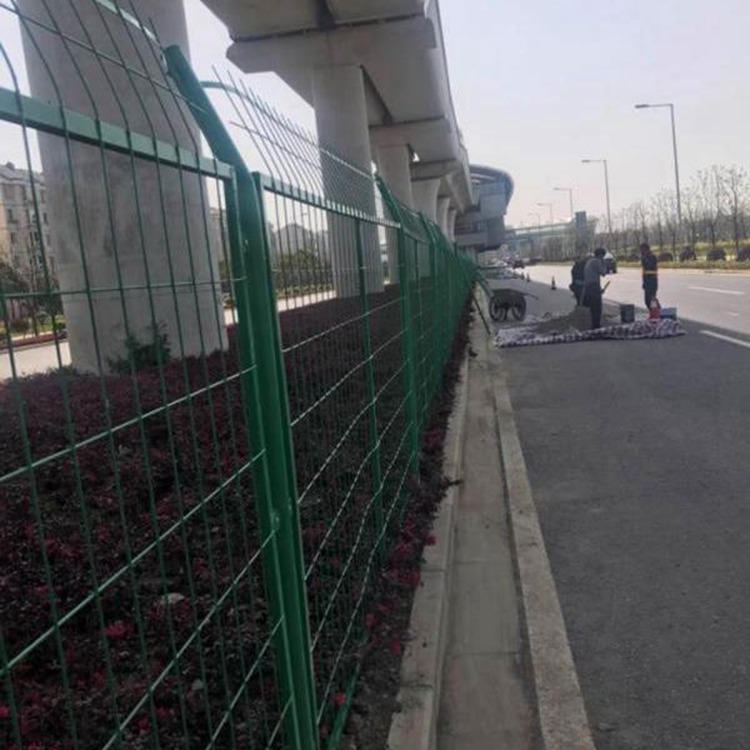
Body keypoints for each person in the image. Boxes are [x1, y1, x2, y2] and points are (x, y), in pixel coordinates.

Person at [582, 247, 607, 329]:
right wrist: (604, 264)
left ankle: (594, 324)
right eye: (603, 256)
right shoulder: (596, 261)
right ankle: (596, 326)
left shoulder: (589, 261)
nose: (603, 258)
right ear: (600, 255)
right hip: (594, 286)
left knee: (593, 308)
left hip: (589, 286)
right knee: (597, 307)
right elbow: (603, 273)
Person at [640, 242, 658, 309]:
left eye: (642, 250)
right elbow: (644, 271)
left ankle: (657, 312)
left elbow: (650, 266)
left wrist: (645, 259)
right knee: (647, 300)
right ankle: (654, 311)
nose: (641, 251)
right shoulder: (644, 257)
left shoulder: (652, 257)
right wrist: (644, 282)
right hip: (646, 281)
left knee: (652, 300)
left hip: (652, 280)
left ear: (646, 249)